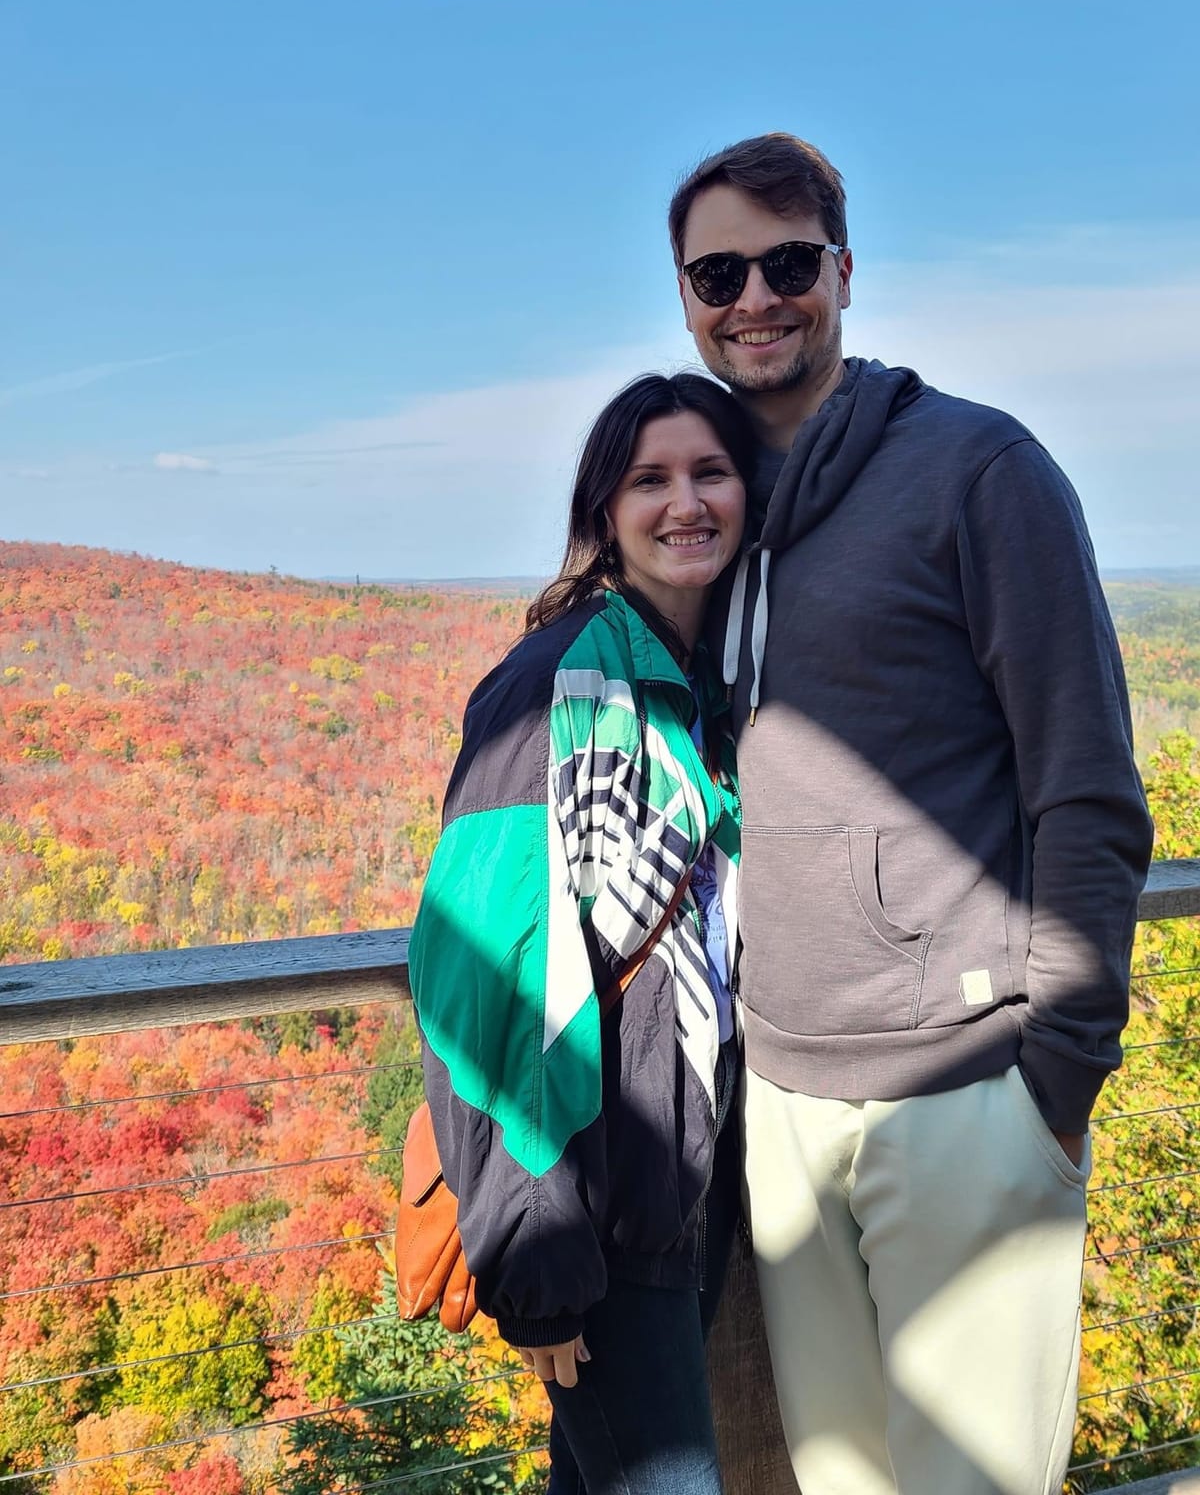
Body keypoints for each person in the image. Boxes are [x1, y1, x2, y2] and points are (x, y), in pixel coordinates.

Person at [666, 134, 1156, 1495]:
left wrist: (1055, 1088)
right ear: (687, 297)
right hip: (781, 1096)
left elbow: (1088, 787)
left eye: (786, 262)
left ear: (842, 269)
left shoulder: (977, 472)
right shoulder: (702, 506)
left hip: (966, 1091)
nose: (754, 297)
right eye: (718, 272)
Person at [408, 371, 755, 1495]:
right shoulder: (555, 685)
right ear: (604, 512)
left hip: (675, 1194)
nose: (684, 501)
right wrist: (540, 1253)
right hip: (595, 1214)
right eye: (648, 479)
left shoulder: (700, 687)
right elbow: (485, 972)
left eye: (711, 471)